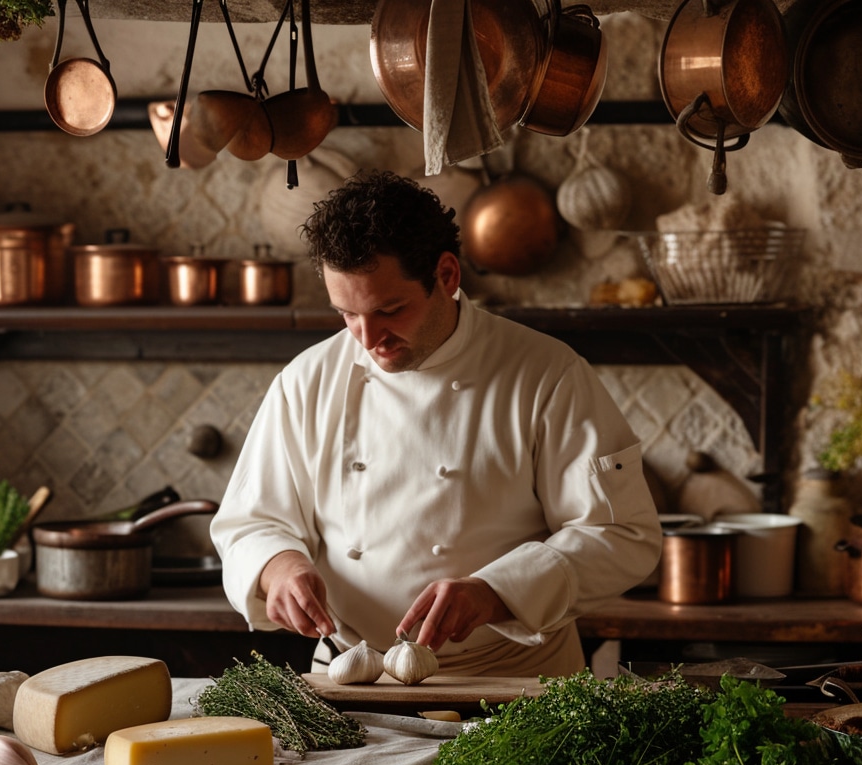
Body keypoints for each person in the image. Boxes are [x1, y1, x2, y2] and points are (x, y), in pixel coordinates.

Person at [210, 170, 661, 677]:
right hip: (354, 679)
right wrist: (280, 568)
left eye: (390, 310)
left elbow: (621, 534)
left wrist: (496, 591)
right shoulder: (306, 380)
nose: (367, 337)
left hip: (510, 682)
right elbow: (251, 522)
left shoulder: (546, 374)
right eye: (346, 314)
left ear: (447, 275)